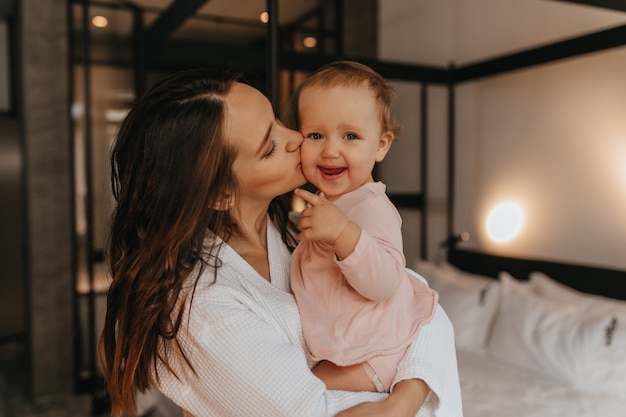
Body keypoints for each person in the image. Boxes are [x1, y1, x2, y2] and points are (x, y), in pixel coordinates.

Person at [98, 67, 463, 417]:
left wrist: (404, 397)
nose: (297, 138)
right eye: (270, 146)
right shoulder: (201, 309)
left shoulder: (303, 232)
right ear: (221, 193)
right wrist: (408, 385)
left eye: (277, 120)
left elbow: (419, 301)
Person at [287, 61, 438, 394]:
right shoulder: (334, 203)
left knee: (298, 398)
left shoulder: (371, 207)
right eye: (315, 135)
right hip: (349, 350)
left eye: (350, 136)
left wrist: (342, 234)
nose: (329, 150)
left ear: (381, 145)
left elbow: (385, 280)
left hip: (373, 355)